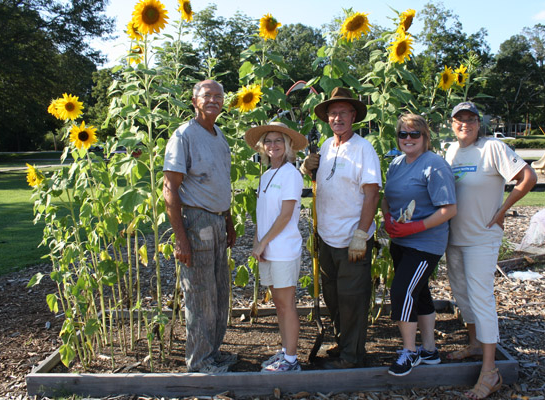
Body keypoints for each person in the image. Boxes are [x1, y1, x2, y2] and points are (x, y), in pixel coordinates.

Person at [445, 101, 537, 399]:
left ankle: (490, 370)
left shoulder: (492, 149)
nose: (465, 124)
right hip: (454, 237)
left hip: (481, 238)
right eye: (460, 119)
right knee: (462, 294)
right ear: (452, 123)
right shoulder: (451, 151)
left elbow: (528, 178)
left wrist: (503, 210)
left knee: (481, 297)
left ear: (478, 123)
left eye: (471, 119)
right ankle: (474, 344)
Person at [300, 87, 381, 369]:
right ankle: (343, 342)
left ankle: (352, 357)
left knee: (352, 299)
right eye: (333, 113)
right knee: (333, 296)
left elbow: (372, 194)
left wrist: (361, 233)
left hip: (352, 240)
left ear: (354, 115)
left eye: (343, 112)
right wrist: (305, 168)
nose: (337, 118)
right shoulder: (325, 146)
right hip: (326, 238)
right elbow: (319, 181)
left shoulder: (364, 149)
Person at [162, 79, 237, 373]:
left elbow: (222, 184)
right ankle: (200, 362)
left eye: (219, 96)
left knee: (218, 293)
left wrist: (229, 222)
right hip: (197, 221)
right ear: (194, 101)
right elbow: (170, 188)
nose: (214, 100)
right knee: (199, 294)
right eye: (207, 95)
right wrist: (181, 239)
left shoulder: (219, 137)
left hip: (217, 220)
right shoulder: (184, 136)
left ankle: (213, 353)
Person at [381, 114, 457, 376]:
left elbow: (448, 209)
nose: (408, 139)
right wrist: (387, 218)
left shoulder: (434, 165)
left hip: (425, 244)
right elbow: (386, 197)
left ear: (426, 137)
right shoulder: (397, 164)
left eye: (415, 134)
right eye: (403, 134)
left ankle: (409, 352)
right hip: (400, 241)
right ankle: (429, 350)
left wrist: (415, 226)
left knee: (402, 292)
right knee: (419, 294)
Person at [244, 121, 308, 373]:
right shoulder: (267, 175)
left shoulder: (291, 174)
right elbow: (263, 214)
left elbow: (285, 215)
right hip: (268, 249)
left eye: (278, 140)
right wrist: (256, 243)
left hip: (283, 249)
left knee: (285, 304)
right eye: (268, 141)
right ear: (262, 146)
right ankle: (285, 352)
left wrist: (263, 243)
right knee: (278, 304)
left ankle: (291, 360)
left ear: (288, 145)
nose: (273, 145)